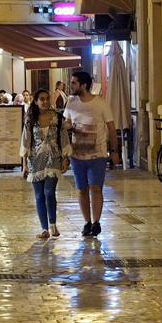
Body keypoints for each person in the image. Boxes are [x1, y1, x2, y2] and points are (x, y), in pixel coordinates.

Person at [63, 70, 118, 238]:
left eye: (73, 83)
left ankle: (96, 222)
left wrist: (114, 151)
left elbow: (111, 128)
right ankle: (87, 222)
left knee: (96, 188)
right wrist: (66, 125)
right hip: (77, 154)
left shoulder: (101, 104)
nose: (70, 86)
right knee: (81, 189)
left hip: (98, 155)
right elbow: (66, 122)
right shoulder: (71, 102)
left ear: (84, 85)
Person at [22, 89, 67, 240]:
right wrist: (24, 164)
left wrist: (65, 158)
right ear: (36, 101)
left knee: (49, 191)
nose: (45, 101)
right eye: (42, 99)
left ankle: (53, 224)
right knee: (39, 195)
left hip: (54, 157)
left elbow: (63, 137)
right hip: (35, 159)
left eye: (47, 98)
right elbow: (26, 141)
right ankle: (44, 228)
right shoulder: (30, 119)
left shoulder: (57, 117)